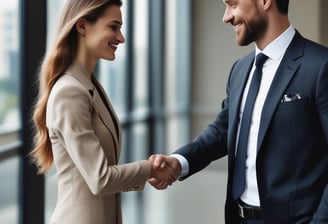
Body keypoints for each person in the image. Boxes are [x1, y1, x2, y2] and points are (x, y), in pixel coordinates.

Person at [149, 0, 328, 223]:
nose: (226, 17)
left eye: (233, 4)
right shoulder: (240, 69)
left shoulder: (320, 66)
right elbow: (223, 131)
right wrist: (179, 162)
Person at [29, 0, 175, 224]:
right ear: (82, 26)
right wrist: (150, 170)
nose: (121, 37)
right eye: (113, 26)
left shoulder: (90, 86)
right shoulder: (70, 91)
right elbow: (100, 179)